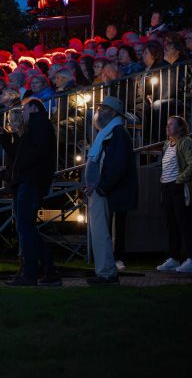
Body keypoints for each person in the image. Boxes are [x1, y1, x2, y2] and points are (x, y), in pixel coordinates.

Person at [0, 98, 60, 287]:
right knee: (27, 227)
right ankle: (48, 272)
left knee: (25, 226)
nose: (23, 112)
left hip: (30, 182)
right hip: (28, 181)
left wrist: (17, 170)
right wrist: (3, 135)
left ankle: (31, 273)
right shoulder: (35, 128)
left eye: (25, 108)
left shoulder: (39, 125)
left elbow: (31, 154)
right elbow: (19, 152)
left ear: (34, 108)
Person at [83, 96, 137, 285]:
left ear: (113, 112)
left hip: (103, 190)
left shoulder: (117, 133)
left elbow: (117, 164)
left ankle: (107, 274)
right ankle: (105, 271)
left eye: (103, 108)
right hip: (99, 189)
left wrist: (102, 186)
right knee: (99, 232)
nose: (99, 111)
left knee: (101, 232)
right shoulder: (109, 131)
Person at [156, 116, 192, 273]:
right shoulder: (166, 144)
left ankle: (190, 258)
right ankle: (174, 258)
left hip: (178, 186)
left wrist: (179, 180)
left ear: (180, 127)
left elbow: (191, 164)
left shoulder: (185, 142)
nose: (167, 127)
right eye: (167, 124)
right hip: (166, 187)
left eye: (171, 124)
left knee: (184, 223)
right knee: (171, 224)